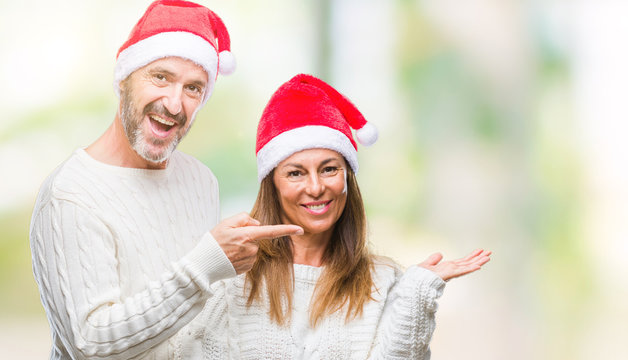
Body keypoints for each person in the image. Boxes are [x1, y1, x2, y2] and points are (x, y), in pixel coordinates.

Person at [28, 1, 302, 359]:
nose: (174, 104)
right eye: (161, 77)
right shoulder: (70, 195)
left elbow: (197, 325)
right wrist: (207, 264)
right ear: (124, 78)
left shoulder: (201, 180)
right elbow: (90, 345)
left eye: (193, 88)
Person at [175, 74, 491, 359]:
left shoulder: (382, 281)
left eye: (329, 169)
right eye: (296, 173)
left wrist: (415, 293)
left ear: (347, 179)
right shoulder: (233, 278)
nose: (316, 187)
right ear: (273, 184)